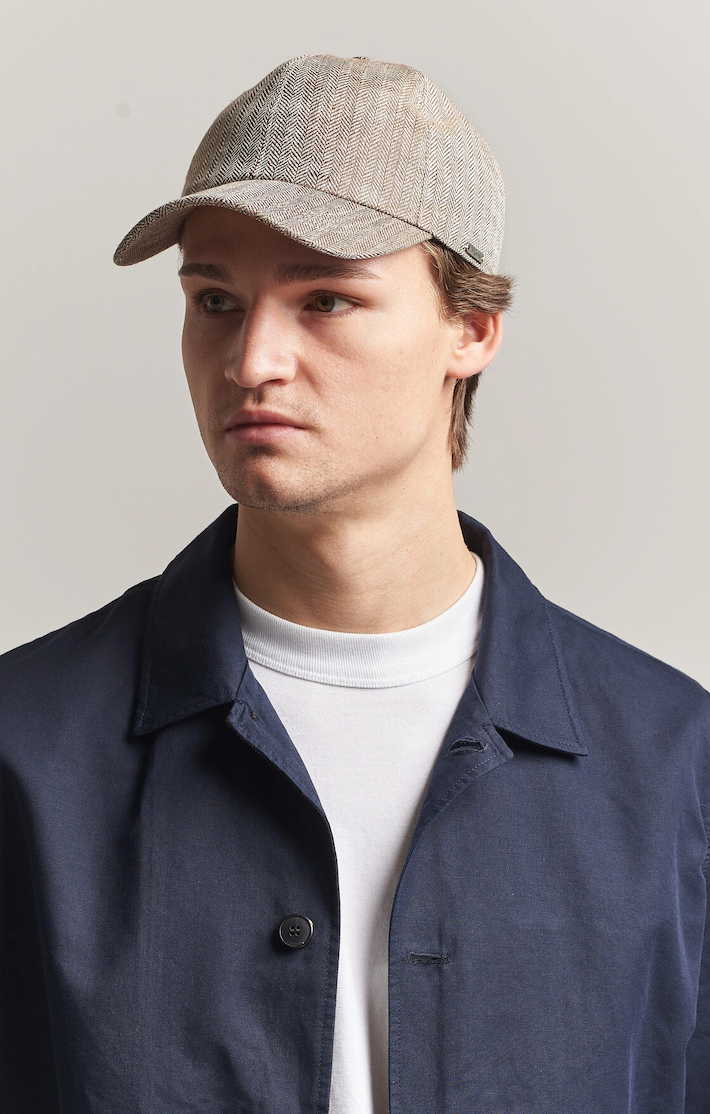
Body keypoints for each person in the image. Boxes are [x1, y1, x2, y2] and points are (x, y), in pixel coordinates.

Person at [0, 52, 708, 1114]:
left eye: (325, 298)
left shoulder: (672, 764)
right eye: (214, 299)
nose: (251, 362)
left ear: (470, 329)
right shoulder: (25, 751)